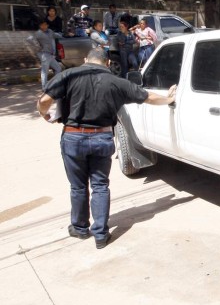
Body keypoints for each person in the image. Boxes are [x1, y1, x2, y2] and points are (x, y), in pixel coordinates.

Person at [36, 48, 177, 249]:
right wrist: (168, 99)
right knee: (100, 185)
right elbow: (147, 97)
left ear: (86, 59)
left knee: (78, 186)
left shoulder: (67, 75)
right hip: (102, 137)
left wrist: (44, 114)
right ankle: (101, 234)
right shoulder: (117, 82)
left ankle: (80, 227)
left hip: (73, 137)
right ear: (108, 63)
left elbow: (44, 102)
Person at [34, 19, 62, 90]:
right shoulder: (38, 33)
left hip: (51, 54)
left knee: (58, 68)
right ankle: (44, 87)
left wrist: (61, 35)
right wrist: (38, 46)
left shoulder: (49, 31)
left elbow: (55, 35)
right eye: (42, 25)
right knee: (44, 71)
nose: (44, 26)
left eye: (45, 24)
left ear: (47, 25)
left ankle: (55, 84)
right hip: (44, 54)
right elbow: (30, 39)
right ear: (40, 26)